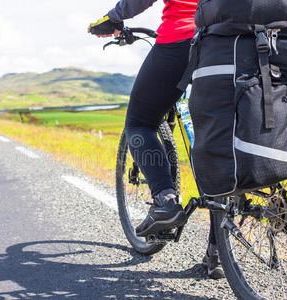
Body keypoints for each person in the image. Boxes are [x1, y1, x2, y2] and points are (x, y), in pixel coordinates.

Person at [88, 0, 224, 279]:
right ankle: (217, 254)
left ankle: (165, 201)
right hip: (237, 41)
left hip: (184, 38)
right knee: (221, 137)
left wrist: (113, 18)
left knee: (139, 122)